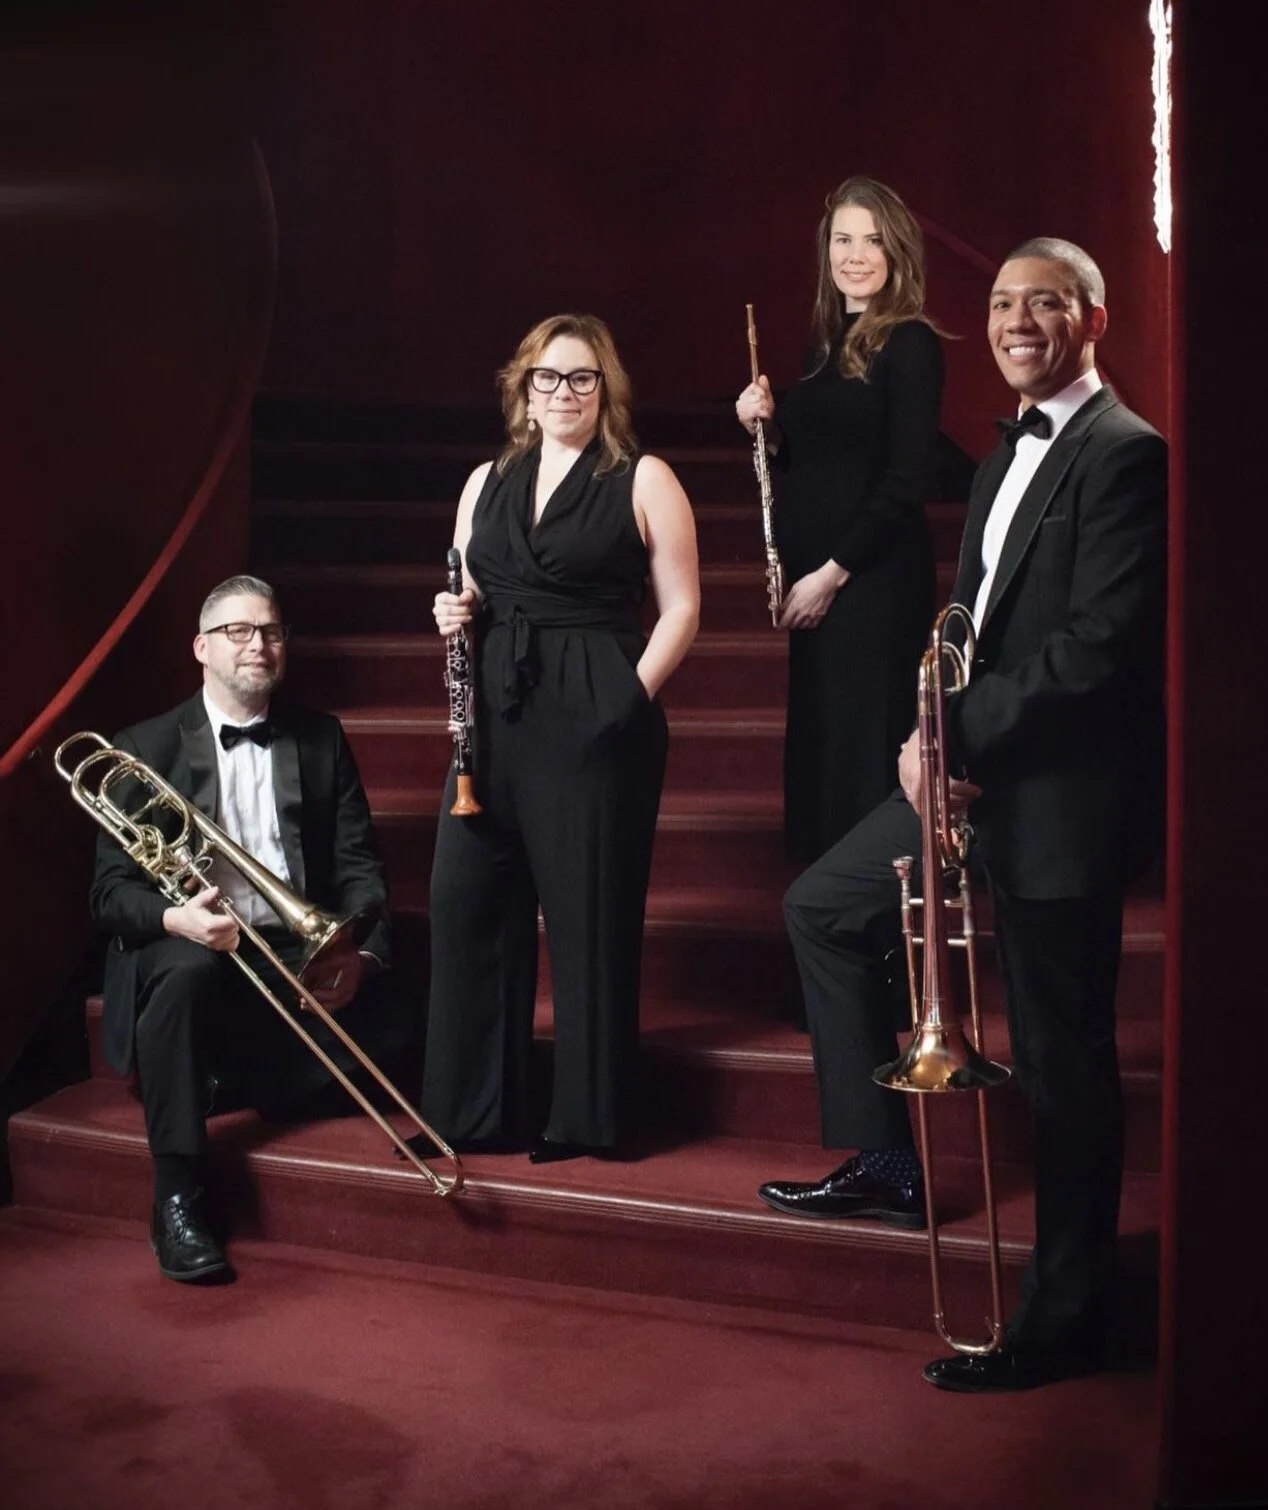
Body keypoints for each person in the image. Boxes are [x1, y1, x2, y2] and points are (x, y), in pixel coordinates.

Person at [757, 239, 1167, 1393]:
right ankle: (885, 1158)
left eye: (1043, 302)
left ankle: (1065, 1312)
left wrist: (959, 736)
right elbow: (963, 619)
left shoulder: (1126, 454)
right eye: (999, 303)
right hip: (963, 775)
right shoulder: (996, 458)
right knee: (826, 909)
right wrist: (922, 731)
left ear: (1091, 318)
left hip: (1051, 805)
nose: (1015, 320)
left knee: (1059, 1062)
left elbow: (1093, 653)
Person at [421, 313, 699, 1163]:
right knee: (464, 906)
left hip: (595, 713)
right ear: (523, 388)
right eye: (548, 377)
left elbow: (683, 608)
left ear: (604, 389)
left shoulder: (643, 477)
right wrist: (450, 612)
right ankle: (470, 1113)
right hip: (497, 717)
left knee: (588, 923)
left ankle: (586, 1119)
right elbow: (467, 589)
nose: (564, 393)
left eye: (582, 378)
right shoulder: (486, 480)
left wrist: (626, 702)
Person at [89, 575, 407, 1283]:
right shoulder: (140, 747)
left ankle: (230, 1071)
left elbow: (360, 867)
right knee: (184, 978)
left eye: (270, 631)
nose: (258, 645)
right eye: (239, 631)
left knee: (410, 1009)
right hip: (193, 946)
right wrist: (177, 917)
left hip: (287, 948)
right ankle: (176, 1192)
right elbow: (109, 895)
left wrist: (361, 953)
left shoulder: (320, 737)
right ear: (202, 647)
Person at [735, 176, 943, 863]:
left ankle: (872, 925)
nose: (856, 255)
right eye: (843, 240)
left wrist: (829, 575)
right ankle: (825, 917)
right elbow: (825, 461)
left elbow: (904, 480)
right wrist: (767, 423)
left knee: (861, 754)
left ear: (897, 251)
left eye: (873, 240)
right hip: (822, 587)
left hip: (869, 587)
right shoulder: (825, 345)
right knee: (826, 752)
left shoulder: (910, 342)